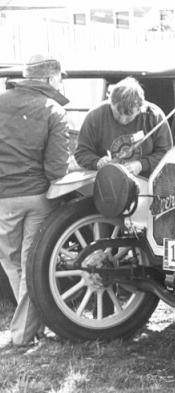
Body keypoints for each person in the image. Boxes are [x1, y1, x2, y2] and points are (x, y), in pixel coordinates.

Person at [0, 54, 71, 348]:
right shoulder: (54, 111)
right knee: (32, 264)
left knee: (12, 260)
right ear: (50, 79)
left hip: (4, 198)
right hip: (38, 196)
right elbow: (56, 169)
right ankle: (25, 333)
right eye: (60, 78)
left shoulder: (1, 101)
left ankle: (28, 327)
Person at [74, 77, 172, 177]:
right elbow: (81, 152)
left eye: (129, 116)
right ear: (110, 102)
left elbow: (167, 154)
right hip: (107, 183)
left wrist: (142, 165)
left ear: (140, 109)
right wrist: (97, 162)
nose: (122, 119)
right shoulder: (95, 116)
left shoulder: (154, 117)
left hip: (146, 184)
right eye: (117, 113)